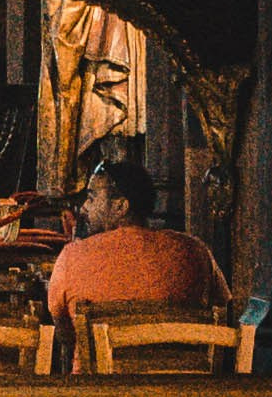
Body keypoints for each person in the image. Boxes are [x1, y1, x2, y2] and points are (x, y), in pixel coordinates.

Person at [45, 153, 228, 362]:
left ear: (121, 206)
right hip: (183, 388)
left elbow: (64, 334)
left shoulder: (72, 257)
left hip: (99, 390)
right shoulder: (196, 250)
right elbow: (222, 314)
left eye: (92, 198)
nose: (84, 207)